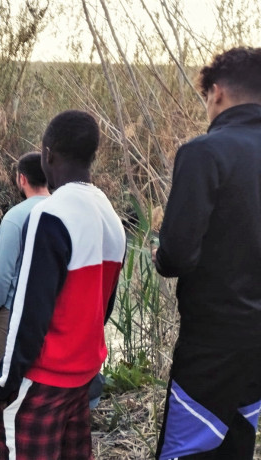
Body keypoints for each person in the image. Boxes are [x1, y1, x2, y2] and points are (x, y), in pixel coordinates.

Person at [0, 110, 126, 459]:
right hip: (82, 376)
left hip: (42, 379)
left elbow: (30, 309)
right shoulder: (109, 215)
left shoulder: (50, 213)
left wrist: (5, 381)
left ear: (48, 154)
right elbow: (103, 305)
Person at [153, 47, 261, 460]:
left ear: (216, 93)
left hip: (213, 340)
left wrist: (159, 258)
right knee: (237, 441)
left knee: (188, 447)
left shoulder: (205, 152)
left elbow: (177, 254)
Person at [0, 152, 49, 391]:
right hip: (50, 311)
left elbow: (2, 274)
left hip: (13, 312)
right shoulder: (63, 211)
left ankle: (3, 422)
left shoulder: (15, 218)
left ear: (21, 179)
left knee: (2, 377)